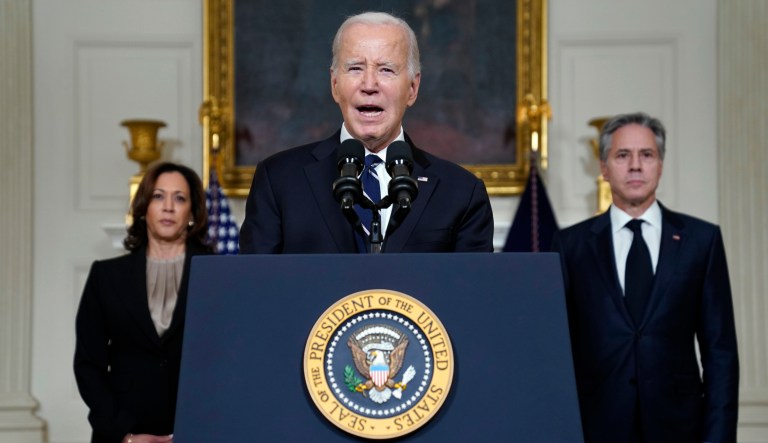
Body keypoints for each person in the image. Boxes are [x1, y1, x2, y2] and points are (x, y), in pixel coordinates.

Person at [551, 112, 739, 443]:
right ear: (604, 168)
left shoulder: (701, 241)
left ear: (660, 165)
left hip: (680, 430)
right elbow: (555, 351)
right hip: (596, 430)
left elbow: (720, 354)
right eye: (623, 155)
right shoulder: (571, 246)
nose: (635, 165)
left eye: (647, 155)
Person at [239, 11, 494, 253]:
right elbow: (255, 289)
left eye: (386, 70)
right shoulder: (278, 181)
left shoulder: (461, 192)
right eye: (355, 68)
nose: (369, 85)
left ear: (413, 88)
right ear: (335, 84)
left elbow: (472, 293)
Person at [74, 162, 213, 443]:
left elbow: (226, 360)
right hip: (123, 431)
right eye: (158, 196)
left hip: (196, 429)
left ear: (192, 211)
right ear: (144, 207)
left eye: (180, 198)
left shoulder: (217, 275)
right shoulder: (106, 276)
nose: (169, 207)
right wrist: (124, 435)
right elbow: (88, 365)